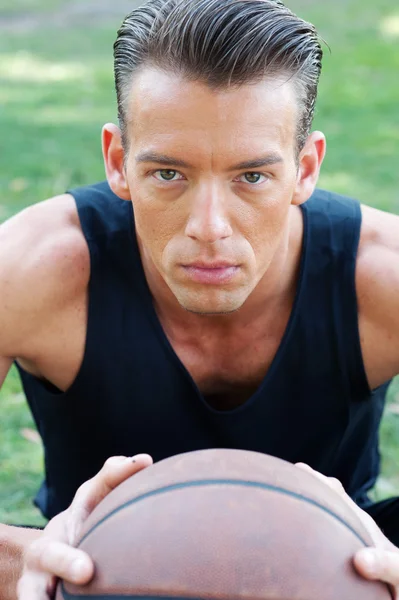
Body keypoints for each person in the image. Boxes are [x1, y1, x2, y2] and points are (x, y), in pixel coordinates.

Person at [1, 0, 399, 598]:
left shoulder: (383, 274)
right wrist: (34, 560)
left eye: (252, 176)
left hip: (339, 575)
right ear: (119, 162)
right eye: (169, 174)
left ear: (305, 168)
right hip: (89, 574)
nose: (209, 227)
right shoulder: (29, 268)